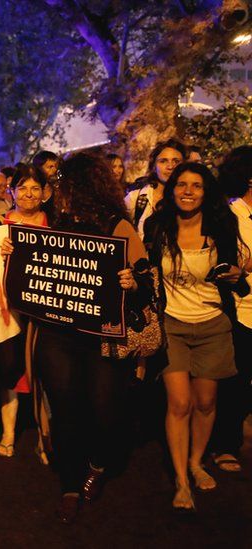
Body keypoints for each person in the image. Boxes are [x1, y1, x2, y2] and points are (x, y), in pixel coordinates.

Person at [2, 153, 150, 524]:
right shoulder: (57, 223)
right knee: (65, 408)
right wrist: (12, 253)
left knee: (104, 408)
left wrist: (132, 282)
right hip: (58, 333)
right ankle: (70, 482)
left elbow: (147, 280)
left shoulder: (119, 226)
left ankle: (98, 465)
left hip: (102, 337)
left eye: (65, 182)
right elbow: (34, 268)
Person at [142, 162, 250, 511]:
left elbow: (237, 275)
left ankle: (196, 461)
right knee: (180, 403)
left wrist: (236, 275)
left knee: (205, 403)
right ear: (172, 189)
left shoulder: (221, 224)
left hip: (213, 325)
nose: (188, 191)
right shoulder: (159, 227)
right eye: (182, 184)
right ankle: (181, 480)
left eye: (197, 185)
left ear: (206, 192)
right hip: (171, 324)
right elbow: (145, 273)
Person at [0, 165, 48, 459]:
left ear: (45, 193)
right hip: (8, 310)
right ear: (12, 191)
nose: (29, 194)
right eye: (22, 188)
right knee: (10, 370)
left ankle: (45, 437)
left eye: (35, 188)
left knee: (46, 373)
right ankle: (8, 433)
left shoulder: (56, 224)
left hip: (46, 313)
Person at [209, 146, 252, 474]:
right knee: (236, 381)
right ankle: (225, 444)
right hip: (242, 309)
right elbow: (228, 262)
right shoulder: (230, 215)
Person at [126, 139, 188, 236]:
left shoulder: (189, 198)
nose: (170, 166)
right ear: (154, 166)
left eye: (176, 161)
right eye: (163, 161)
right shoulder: (136, 197)